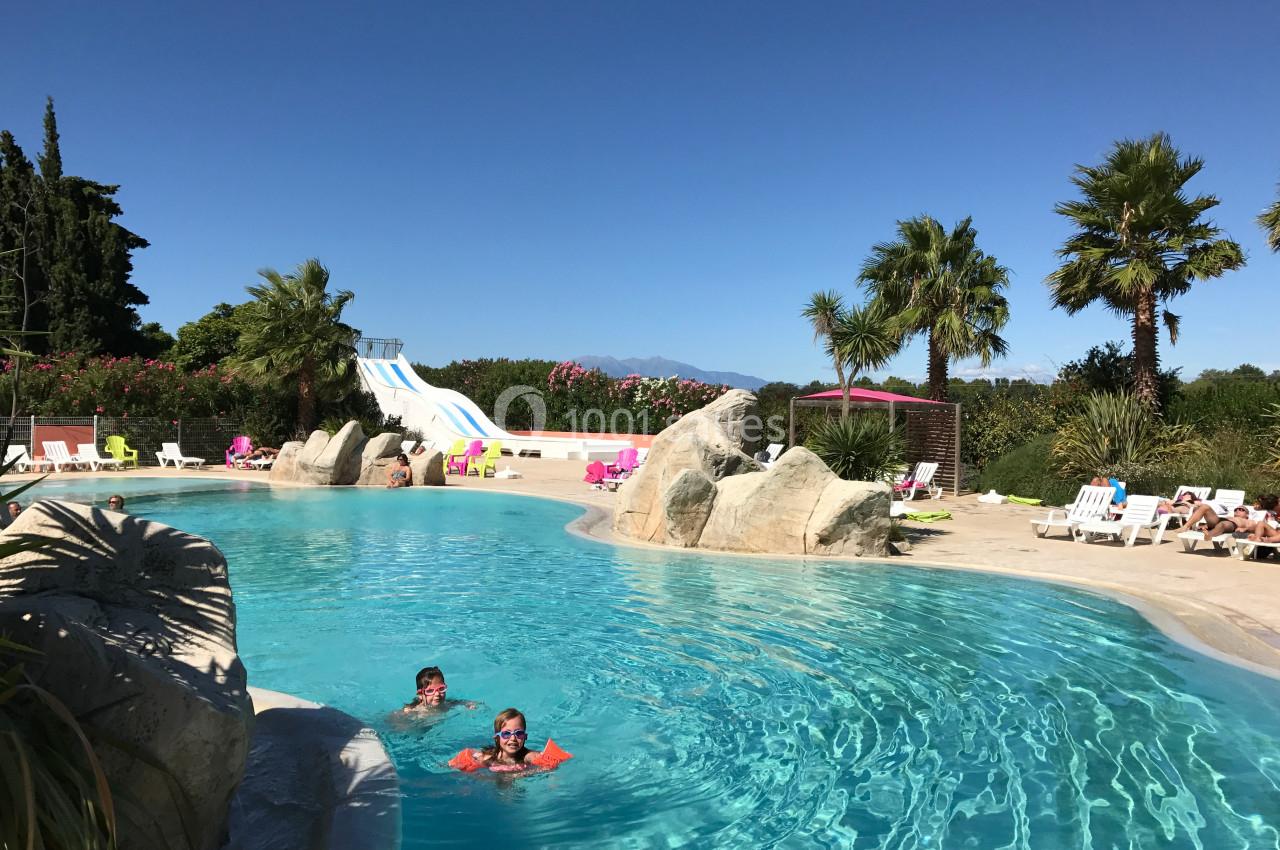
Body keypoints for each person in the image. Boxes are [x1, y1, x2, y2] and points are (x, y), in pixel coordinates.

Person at [448, 708, 573, 773]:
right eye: (506, 734)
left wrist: (548, 765)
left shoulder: (526, 756)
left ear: (525, 737)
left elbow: (536, 757)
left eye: (518, 733)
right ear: (497, 738)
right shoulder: (486, 758)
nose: (513, 738)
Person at [401, 666, 475, 713]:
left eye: (441, 689)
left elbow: (464, 702)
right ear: (420, 694)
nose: (437, 694)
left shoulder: (447, 704)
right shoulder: (414, 712)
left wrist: (470, 705)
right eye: (430, 691)